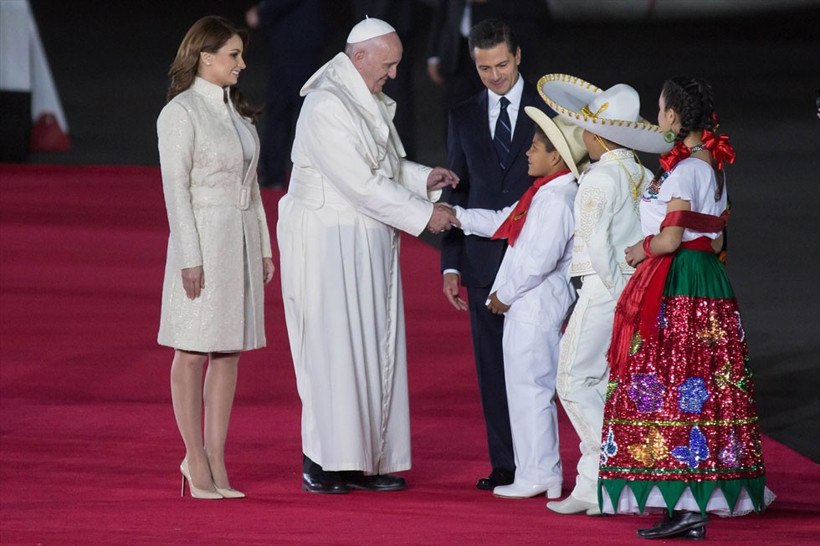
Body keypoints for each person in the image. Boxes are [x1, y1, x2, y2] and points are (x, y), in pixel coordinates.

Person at [277, 17, 460, 495]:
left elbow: (381, 164)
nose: (395, 75)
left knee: (372, 347)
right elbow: (358, 183)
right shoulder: (325, 105)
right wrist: (426, 215)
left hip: (363, 237)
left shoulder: (361, 95)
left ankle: (365, 459)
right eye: (388, 64)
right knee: (333, 348)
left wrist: (423, 180)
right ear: (358, 59)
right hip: (327, 239)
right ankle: (324, 463)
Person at [598, 76, 775, 538]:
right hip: (706, 280)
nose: (658, 118)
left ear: (674, 117)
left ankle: (685, 503)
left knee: (673, 385)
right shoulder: (712, 166)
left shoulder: (686, 171)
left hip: (678, 282)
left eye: (660, 110)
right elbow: (716, 236)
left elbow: (672, 238)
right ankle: (690, 503)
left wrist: (641, 249)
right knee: (699, 389)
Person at [156, 16, 275, 500]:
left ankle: (216, 458)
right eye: (233, 55)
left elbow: (252, 189)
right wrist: (190, 255)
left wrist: (265, 248)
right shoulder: (180, 113)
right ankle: (194, 458)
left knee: (229, 349)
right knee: (191, 350)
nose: (241, 64)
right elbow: (175, 190)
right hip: (202, 239)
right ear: (205, 56)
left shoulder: (239, 115)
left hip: (240, 239)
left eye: (241, 55)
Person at [536, 76, 662, 516]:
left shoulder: (597, 180)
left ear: (595, 136)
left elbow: (595, 246)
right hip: (637, 286)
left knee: (570, 380)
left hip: (605, 288)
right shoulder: (643, 173)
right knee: (606, 383)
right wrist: (635, 293)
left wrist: (620, 295)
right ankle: (595, 486)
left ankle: (611, 461)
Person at [440, 18, 554, 492]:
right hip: (484, 262)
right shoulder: (463, 115)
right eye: (485, 67)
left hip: (540, 262)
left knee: (541, 369)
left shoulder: (549, 110)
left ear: (519, 56)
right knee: (492, 368)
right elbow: (456, 191)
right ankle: (507, 466)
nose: (495, 76)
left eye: (502, 64)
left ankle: (541, 465)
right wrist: (450, 263)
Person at [453, 107, 587, 499]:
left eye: (534, 147)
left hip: (535, 306)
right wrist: (456, 215)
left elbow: (539, 259)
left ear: (556, 158)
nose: (527, 153)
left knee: (531, 388)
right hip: (528, 307)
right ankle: (536, 471)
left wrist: (503, 294)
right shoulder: (543, 194)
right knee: (524, 388)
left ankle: (540, 473)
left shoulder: (557, 200)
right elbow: (500, 221)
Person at [245, 0, 328, 189]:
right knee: (294, 106)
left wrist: (263, 11)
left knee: (294, 107)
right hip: (299, 34)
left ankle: (278, 173)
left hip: (295, 36)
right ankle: (276, 172)